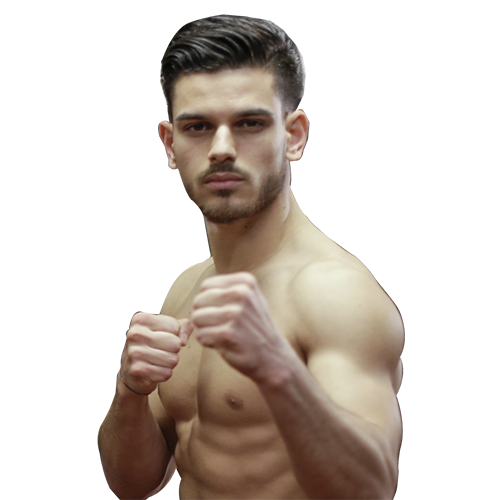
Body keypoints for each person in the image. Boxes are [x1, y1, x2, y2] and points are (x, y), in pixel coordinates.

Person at [97, 15, 404, 500]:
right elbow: (132, 485)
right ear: (171, 144)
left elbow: (372, 488)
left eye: (249, 123)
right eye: (198, 127)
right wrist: (129, 392)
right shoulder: (187, 287)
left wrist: (278, 371)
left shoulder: (334, 292)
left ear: (294, 136)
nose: (221, 149)